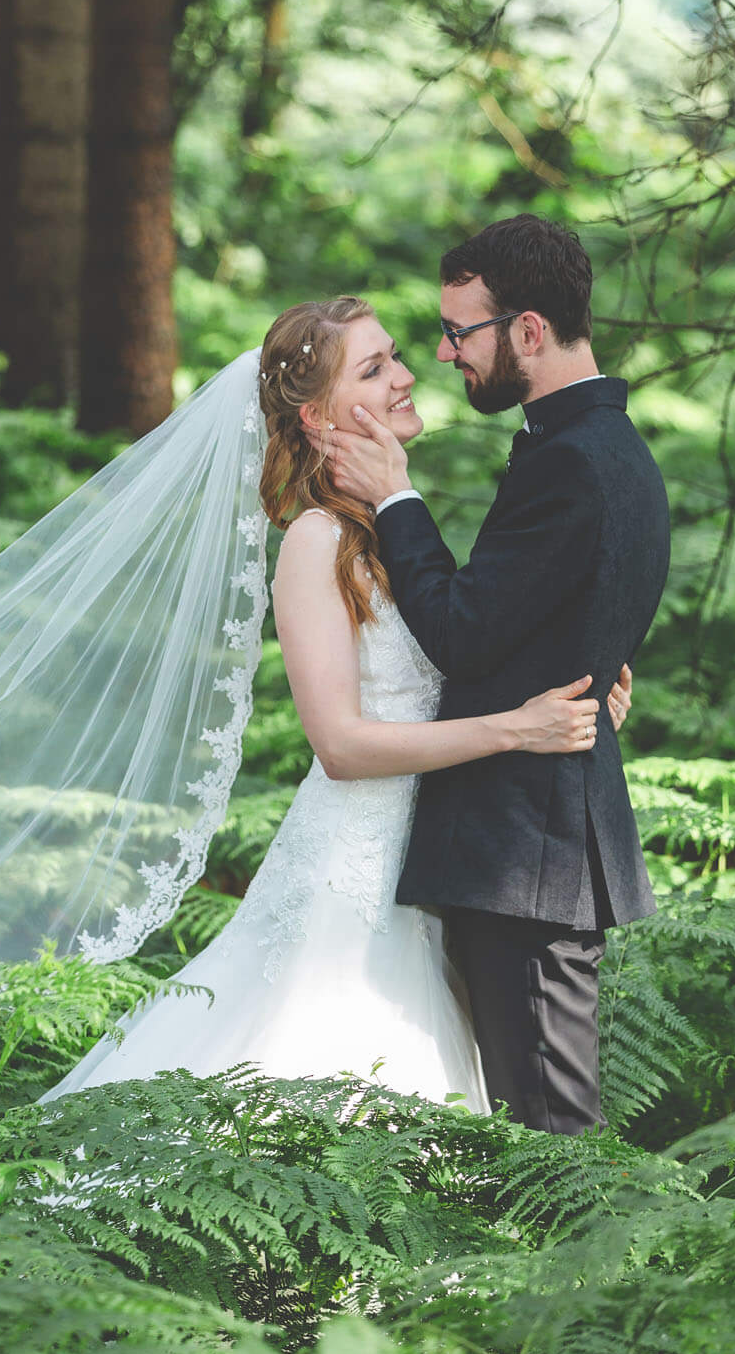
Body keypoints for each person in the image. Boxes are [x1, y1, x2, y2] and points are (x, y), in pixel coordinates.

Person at [42, 295, 633, 1111]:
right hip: (350, 873)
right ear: (319, 419)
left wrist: (574, 694)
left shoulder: (395, 530)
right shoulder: (315, 541)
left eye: (393, 356)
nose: (405, 375)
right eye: (375, 367)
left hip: (432, 865)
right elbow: (342, 746)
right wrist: (515, 728)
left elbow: (458, 657)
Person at [313, 216, 669, 1134]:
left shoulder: (571, 463)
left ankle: (586, 1284)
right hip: (527, 847)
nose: (442, 353)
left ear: (529, 331)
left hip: (525, 855)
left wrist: (395, 498)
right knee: (527, 1132)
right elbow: (562, 620)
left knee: (553, 1147)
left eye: (460, 331)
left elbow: (465, 634)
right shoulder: (611, 448)